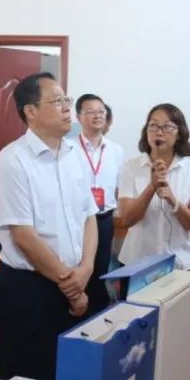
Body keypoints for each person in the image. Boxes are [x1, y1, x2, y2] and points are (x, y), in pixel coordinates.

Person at [0, 72, 98, 380]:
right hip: (32, 288)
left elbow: (88, 216)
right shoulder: (13, 160)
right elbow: (24, 236)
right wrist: (72, 287)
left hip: (77, 279)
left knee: (69, 377)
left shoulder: (73, 154)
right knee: (29, 379)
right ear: (31, 111)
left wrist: (86, 269)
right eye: (57, 101)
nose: (67, 107)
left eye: (67, 99)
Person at [117, 103, 190, 271]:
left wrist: (173, 201)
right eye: (153, 125)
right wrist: (152, 186)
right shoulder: (131, 167)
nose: (159, 132)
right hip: (137, 262)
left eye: (167, 127)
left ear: (179, 133)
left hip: (180, 262)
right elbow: (127, 219)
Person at [74, 93, 124, 313]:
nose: (97, 116)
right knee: (77, 267)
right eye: (90, 111)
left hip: (104, 218)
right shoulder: (68, 148)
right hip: (78, 219)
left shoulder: (116, 150)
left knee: (100, 268)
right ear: (79, 117)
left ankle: (96, 315)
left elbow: (118, 186)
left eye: (101, 111)